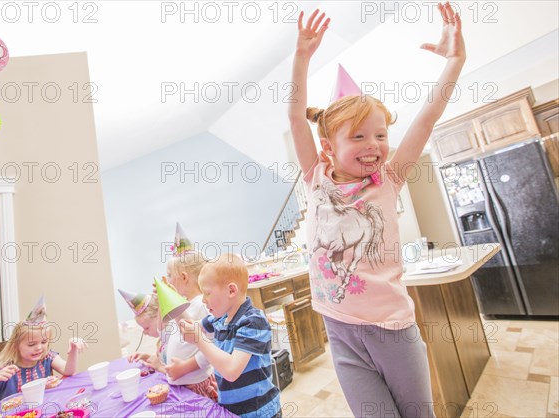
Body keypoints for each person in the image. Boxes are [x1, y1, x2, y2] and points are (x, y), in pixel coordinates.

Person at [288, 3, 465, 417]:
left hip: (392, 329)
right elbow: (295, 116)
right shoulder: (316, 176)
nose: (375, 145)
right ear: (329, 147)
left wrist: (455, 61)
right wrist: (301, 58)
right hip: (340, 327)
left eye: (381, 134)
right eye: (360, 136)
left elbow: (427, 116)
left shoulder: (388, 178)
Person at [179, 253, 281, 418]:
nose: (203, 300)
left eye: (207, 293)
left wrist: (199, 339)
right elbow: (191, 325)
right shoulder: (219, 318)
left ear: (231, 290)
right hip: (231, 410)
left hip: (259, 412)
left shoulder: (253, 322)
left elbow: (232, 371)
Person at [123, 224, 217, 401]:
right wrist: (163, 301)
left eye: (169, 274)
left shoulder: (201, 306)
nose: (167, 278)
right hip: (180, 384)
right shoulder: (182, 305)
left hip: (195, 385)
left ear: (183, 277)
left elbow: (211, 349)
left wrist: (185, 367)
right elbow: (163, 334)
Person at [0, 296, 86, 401]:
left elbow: (68, 371)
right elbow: (10, 403)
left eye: (44, 342)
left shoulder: (46, 357)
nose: (39, 348)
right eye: (31, 344)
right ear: (15, 345)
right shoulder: (6, 370)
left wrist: (73, 350)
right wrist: (42, 388)